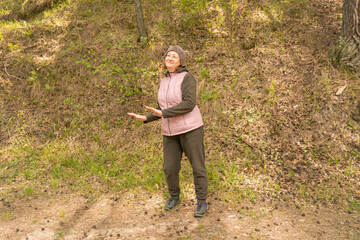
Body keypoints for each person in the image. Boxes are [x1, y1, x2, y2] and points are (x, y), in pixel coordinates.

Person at [127, 45, 208, 217]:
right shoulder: (164, 81)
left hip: (191, 129)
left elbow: (189, 104)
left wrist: (163, 113)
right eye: (168, 55)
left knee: (198, 167)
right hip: (170, 133)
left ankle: (201, 201)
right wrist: (146, 118)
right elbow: (162, 108)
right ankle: (174, 196)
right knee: (169, 168)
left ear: (180, 62)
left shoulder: (187, 78)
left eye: (174, 56)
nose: (169, 58)